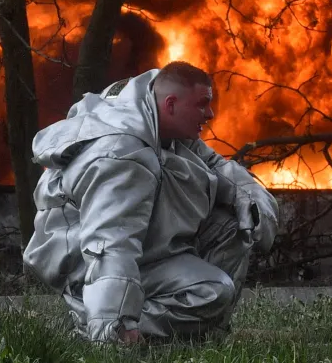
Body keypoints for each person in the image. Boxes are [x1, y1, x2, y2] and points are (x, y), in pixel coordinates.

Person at [22, 62, 279, 344]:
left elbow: (211, 164)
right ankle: (107, 329)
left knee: (233, 226)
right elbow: (109, 243)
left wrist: (251, 198)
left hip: (137, 244)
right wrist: (112, 319)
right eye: (203, 104)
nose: (210, 113)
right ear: (171, 104)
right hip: (85, 264)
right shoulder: (123, 155)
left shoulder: (153, 112)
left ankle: (202, 334)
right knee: (213, 291)